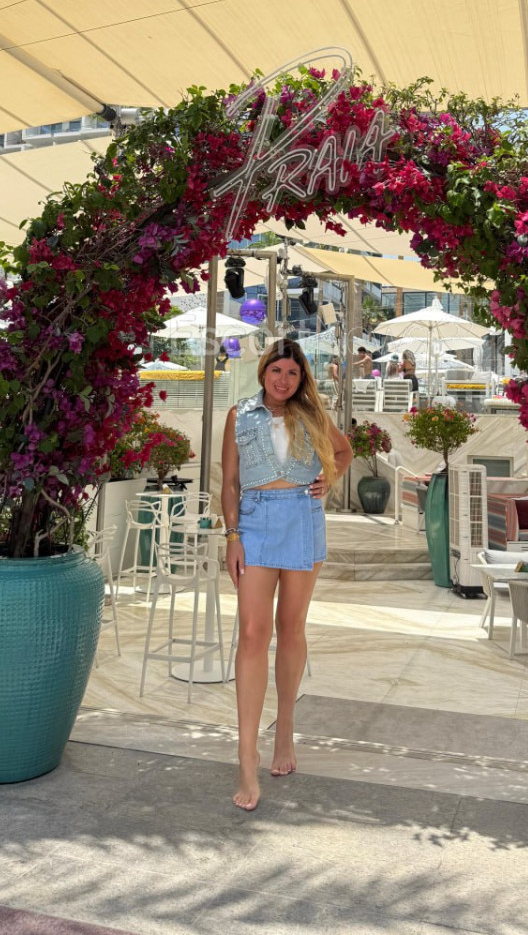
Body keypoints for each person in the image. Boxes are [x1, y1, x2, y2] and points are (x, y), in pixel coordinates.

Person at [221, 339, 352, 810]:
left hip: (302, 518)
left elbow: (344, 451)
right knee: (252, 633)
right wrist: (232, 536)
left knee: (291, 627)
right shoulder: (239, 415)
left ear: (301, 379)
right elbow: (230, 482)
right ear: (263, 372)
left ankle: (285, 731)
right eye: (276, 370)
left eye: (292, 373)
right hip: (254, 522)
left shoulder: (313, 414)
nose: (283, 380)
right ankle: (246, 755)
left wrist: (329, 478)